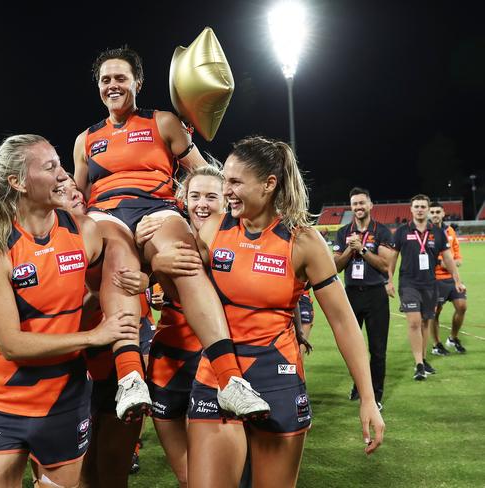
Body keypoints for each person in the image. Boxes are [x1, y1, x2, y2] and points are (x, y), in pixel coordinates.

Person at [73, 46, 268, 421]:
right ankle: (131, 376)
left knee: (185, 260)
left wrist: (221, 210)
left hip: (157, 207)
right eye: (106, 79)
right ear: (98, 86)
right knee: (118, 261)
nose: (113, 85)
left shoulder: (163, 122)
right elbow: (79, 200)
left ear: (138, 83)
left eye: (121, 78)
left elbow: (204, 173)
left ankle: (230, 380)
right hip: (107, 213)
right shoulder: (85, 140)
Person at [183, 137, 383, 488]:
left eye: (234, 182)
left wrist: (368, 398)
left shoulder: (303, 242)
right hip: (216, 377)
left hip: (276, 382)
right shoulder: (214, 228)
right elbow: (182, 283)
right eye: (224, 181)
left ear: (269, 184)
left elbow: (343, 322)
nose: (225, 190)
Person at [0, 134, 139, 488]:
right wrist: (94, 336)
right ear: (17, 182)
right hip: (5, 398)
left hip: (66, 397)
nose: (64, 175)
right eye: (50, 167)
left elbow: (107, 283)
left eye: (60, 164)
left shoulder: (84, 231)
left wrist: (145, 278)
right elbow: (11, 343)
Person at [135, 164, 227, 488]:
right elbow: (132, 276)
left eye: (211, 197)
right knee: (188, 476)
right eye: (195, 195)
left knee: (213, 474)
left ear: (226, 200)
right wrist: (151, 260)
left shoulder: (233, 238)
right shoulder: (166, 231)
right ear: (183, 199)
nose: (202, 203)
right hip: (169, 358)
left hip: (213, 360)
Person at [57, 176, 150, 488]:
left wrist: (150, 274)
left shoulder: (114, 233)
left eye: (76, 190)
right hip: (68, 365)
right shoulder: (43, 245)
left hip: (112, 364)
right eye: (62, 191)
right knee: (77, 474)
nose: (74, 194)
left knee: (111, 472)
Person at [387, 194, 465, 380]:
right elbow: (392, 257)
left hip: (430, 284)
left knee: (425, 322)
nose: (420, 209)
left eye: (423, 206)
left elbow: (448, 259)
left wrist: (457, 281)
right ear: (411, 209)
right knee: (414, 321)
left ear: (427, 209)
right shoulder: (401, 231)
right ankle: (419, 364)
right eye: (417, 206)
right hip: (409, 284)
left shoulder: (438, 233)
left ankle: (422, 359)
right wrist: (388, 280)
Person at [333, 187, 394, 409]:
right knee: (352, 348)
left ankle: (376, 396)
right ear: (351, 207)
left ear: (370, 205)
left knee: (377, 349)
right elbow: (335, 267)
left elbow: (385, 265)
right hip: (350, 295)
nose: (358, 207)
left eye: (362, 203)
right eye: (355, 204)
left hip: (376, 295)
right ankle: (359, 386)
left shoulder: (383, 232)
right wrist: (350, 250)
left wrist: (364, 250)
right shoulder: (342, 232)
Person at [429, 202, 467, 355]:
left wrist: (453, 263)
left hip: (452, 278)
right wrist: (441, 262)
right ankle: (436, 344)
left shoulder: (450, 230)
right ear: (428, 214)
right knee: (435, 312)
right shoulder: (425, 232)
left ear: (443, 213)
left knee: (462, 307)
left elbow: (458, 256)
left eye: (438, 211)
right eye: (432, 212)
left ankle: (452, 338)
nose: (435, 214)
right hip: (434, 279)